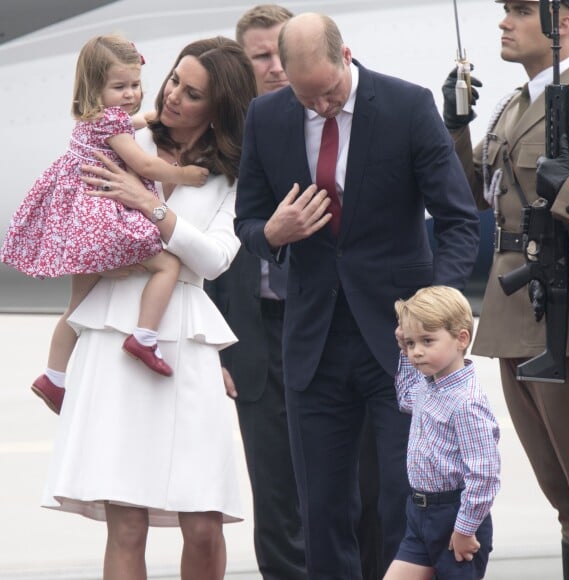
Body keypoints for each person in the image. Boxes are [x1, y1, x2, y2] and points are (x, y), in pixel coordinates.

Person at [234, 12, 480, 579]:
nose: (318, 107)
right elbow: (248, 220)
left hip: (400, 343)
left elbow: (459, 219)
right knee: (320, 511)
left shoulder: (406, 107)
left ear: (346, 57)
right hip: (314, 343)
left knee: (403, 503)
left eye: (327, 93)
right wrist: (273, 234)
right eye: (304, 98)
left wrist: (436, 305)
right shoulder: (266, 116)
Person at [41, 36, 257, 579]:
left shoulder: (232, 176)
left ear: (220, 107)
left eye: (194, 92)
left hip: (185, 336)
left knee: (204, 523)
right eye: (174, 81)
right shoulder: (117, 141)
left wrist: (151, 206)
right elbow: (77, 227)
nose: (174, 96)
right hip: (116, 332)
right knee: (127, 524)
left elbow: (214, 261)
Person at [441, 1, 569, 577]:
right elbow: (469, 193)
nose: (504, 22)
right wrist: (455, 126)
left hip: (568, 314)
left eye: (520, 10)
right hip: (514, 312)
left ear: (562, 23)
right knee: (564, 498)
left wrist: (566, 188)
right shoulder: (511, 106)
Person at [0, 34, 210, 414]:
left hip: (80, 225)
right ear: (95, 88)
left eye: (135, 85)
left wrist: (146, 118)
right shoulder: (113, 123)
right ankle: (144, 337)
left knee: (76, 308)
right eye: (120, 87)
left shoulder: (94, 119)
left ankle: (53, 376)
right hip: (103, 220)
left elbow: (127, 123)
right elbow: (144, 165)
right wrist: (188, 176)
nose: (131, 94)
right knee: (168, 264)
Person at [205, 6, 307, 580]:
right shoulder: (220, 139)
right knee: (274, 493)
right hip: (252, 332)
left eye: (282, 54)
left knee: (350, 486)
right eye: (261, 57)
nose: (275, 68)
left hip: (324, 323)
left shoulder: (326, 122)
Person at [384, 286, 500, 580]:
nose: (416, 351)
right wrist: (402, 347)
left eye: (427, 340)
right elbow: (406, 398)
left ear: (462, 338)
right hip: (419, 514)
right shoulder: (427, 386)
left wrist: (464, 529)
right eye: (410, 344)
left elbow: (484, 473)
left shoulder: (467, 402)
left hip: (455, 518)